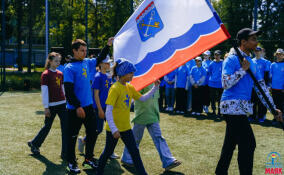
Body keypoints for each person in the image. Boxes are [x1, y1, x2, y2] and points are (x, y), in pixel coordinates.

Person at [215, 28, 283, 175]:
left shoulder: (252, 62)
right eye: (252, 39)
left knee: (230, 144)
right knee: (248, 143)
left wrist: (273, 109)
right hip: (231, 106)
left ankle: (220, 172)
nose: (256, 41)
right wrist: (242, 70)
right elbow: (225, 83)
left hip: (241, 108)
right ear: (243, 42)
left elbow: (261, 88)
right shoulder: (231, 59)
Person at [96, 58, 160, 175]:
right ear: (123, 73)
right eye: (131, 72)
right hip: (113, 129)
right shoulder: (115, 88)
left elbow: (142, 98)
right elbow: (108, 111)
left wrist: (154, 88)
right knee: (107, 152)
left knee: (134, 151)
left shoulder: (129, 87)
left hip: (126, 128)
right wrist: (114, 129)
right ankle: (99, 172)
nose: (133, 75)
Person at [64, 38, 113, 174]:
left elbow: (100, 58)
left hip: (89, 106)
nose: (84, 53)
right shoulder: (69, 68)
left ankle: (88, 159)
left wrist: (107, 45)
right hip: (75, 109)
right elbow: (68, 91)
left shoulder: (87, 62)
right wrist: (78, 107)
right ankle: (71, 163)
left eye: (86, 50)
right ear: (74, 51)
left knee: (93, 132)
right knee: (72, 137)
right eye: (81, 50)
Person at [121, 83, 181, 171]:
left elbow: (155, 100)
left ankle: (168, 161)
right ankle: (127, 159)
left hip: (153, 115)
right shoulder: (144, 80)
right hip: (141, 115)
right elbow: (137, 97)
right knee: (135, 139)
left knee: (159, 138)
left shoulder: (156, 82)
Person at [77, 55, 119, 159]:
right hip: (99, 108)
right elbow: (96, 95)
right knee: (98, 130)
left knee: (111, 129)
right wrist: (100, 110)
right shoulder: (98, 77)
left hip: (109, 108)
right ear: (100, 64)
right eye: (107, 63)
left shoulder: (109, 76)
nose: (109, 64)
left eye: (109, 63)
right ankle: (83, 140)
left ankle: (110, 151)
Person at [28, 52, 68, 160]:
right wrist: (46, 107)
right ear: (50, 61)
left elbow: (62, 88)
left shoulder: (60, 73)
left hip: (62, 104)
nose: (58, 63)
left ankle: (65, 153)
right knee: (47, 126)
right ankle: (34, 143)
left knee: (66, 128)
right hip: (51, 106)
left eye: (59, 61)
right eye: (56, 61)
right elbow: (45, 92)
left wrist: (66, 100)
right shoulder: (45, 74)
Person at [249, 46, 271, 122]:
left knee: (262, 101)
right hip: (252, 85)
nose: (257, 52)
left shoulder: (266, 62)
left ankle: (261, 116)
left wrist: (266, 85)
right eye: (255, 51)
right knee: (252, 101)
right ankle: (252, 116)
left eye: (259, 51)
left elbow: (267, 74)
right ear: (254, 52)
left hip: (262, 85)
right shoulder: (251, 61)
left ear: (261, 52)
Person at [270, 48, 284, 124]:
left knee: (281, 104)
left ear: (283, 55)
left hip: (282, 89)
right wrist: (270, 86)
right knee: (275, 104)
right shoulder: (273, 64)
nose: (279, 55)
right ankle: (275, 118)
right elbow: (270, 76)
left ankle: (282, 118)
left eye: (280, 54)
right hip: (274, 88)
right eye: (277, 54)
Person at [208, 50, 223, 116]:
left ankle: (220, 112)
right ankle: (213, 111)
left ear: (220, 55)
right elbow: (210, 72)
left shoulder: (223, 63)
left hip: (220, 84)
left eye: (218, 55)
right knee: (212, 98)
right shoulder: (211, 63)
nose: (217, 56)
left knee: (220, 99)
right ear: (214, 55)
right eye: (215, 55)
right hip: (212, 83)